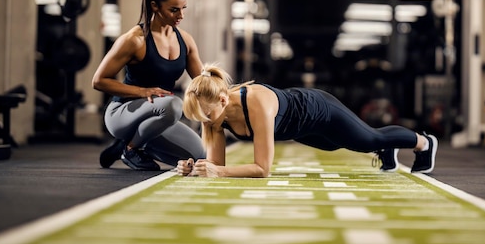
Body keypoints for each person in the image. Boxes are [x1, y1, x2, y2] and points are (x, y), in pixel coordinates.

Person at [175, 63, 438, 178]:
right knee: (341, 144)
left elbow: (262, 169)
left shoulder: (256, 103)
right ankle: (385, 149)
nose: (205, 122)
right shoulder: (211, 115)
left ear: (222, 101)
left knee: (368, 138)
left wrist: (218, 171)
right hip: (300, 130)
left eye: (206, 116)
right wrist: (194, 167)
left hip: (319, 110)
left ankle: (424, 143)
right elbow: (216, 164)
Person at [92, 0, 206, 170]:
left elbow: (204, 83)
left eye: (183, 8)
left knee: (200, 157)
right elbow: (99, 81)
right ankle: (131, 149)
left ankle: (131, 144)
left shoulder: (185, 41)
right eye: (174, 10)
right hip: (122, 113)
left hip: (159, 116)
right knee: (173, 105)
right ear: (155, 6)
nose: (181, 15)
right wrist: (142, 92)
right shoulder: (134, 40)